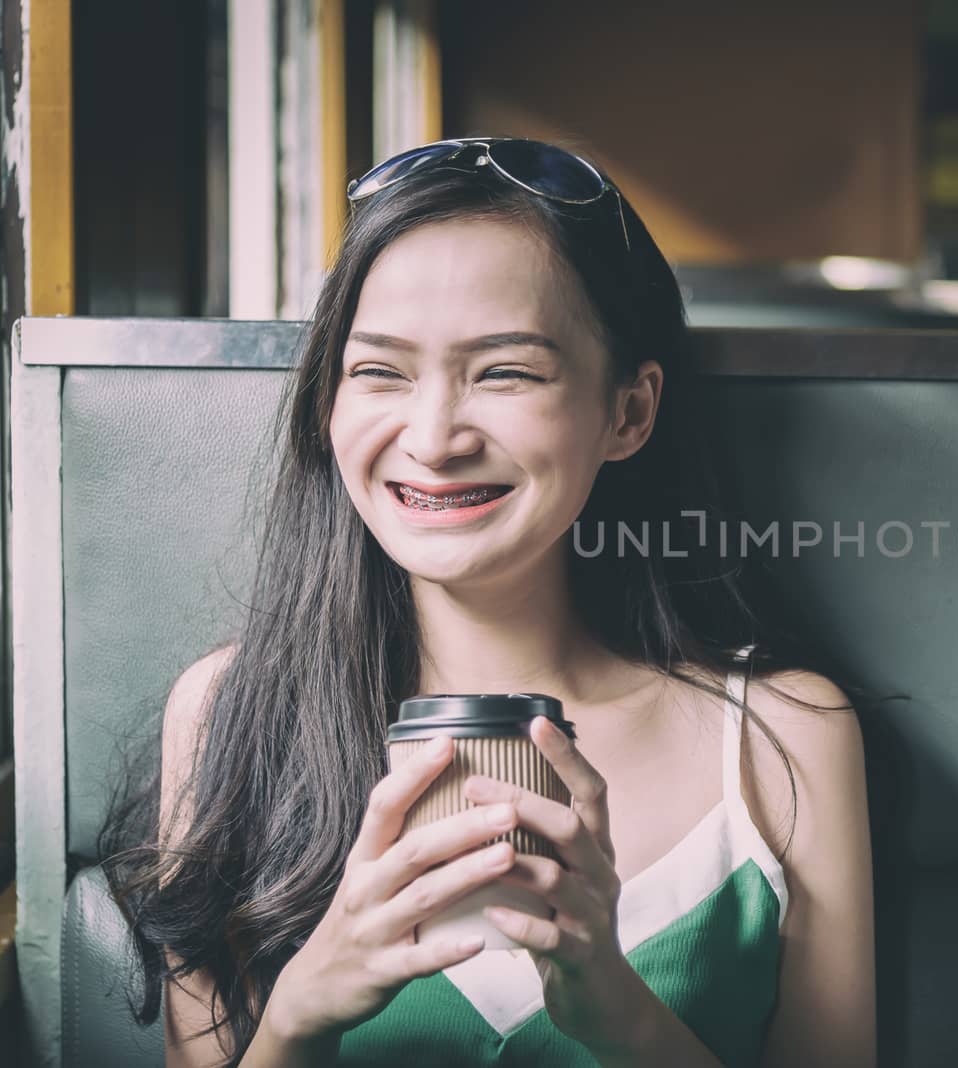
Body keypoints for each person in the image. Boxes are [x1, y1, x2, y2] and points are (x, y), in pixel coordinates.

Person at [97, 137, 876, 1067]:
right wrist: (304, 1009)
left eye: (505, 372)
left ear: (628, 413)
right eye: (379, 372)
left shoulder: (787, 736)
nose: (432, 439)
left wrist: (619, 1013)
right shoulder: (228, 711)